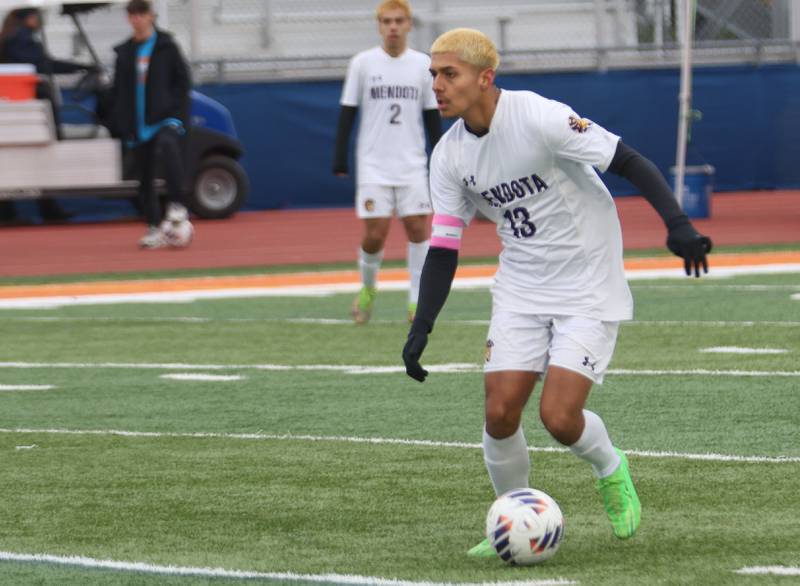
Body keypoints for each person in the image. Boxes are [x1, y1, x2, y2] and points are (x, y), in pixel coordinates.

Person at [402, 28, 712, 556]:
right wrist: (421, 324)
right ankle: (512, 521)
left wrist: (677, 225)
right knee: (500, 413)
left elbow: (629, 160)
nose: (436, 84)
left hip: (587, 280)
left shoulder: (539, 117)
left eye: (447, 74)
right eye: (432, 74)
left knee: (558, 418)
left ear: (484, 77)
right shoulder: (448, 155)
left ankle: (612, 471)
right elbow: (445, 247)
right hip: (522, 285)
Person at [333, 0, 442, 324]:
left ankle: (416, 302)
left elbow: (432, 117)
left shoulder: (423, 64)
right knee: (375, 234)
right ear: (379, 25)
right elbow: (347, 112)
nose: (393, 27)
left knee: (417, 228)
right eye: (386, 21)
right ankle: (367, 288)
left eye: (399, 21)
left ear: (409, 24)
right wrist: (339, 156)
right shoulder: (363, 64)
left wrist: (439, 159)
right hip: (373, 164)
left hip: (412, 163)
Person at [108, 0, 192, 249]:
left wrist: (178, 112)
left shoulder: (167, 46)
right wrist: (120, 121)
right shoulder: (124, 52)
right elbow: (119, 90)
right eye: (132, 14)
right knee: (144, 178)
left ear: (150, 16)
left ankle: (177, 204)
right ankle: (154, 227)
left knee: (168, 146)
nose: (137, 19)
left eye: (141, 14)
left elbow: (183, 81)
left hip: (165, 117)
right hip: (138, 121)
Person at [0, 7, 94, 223]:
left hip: (19, 112)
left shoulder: (13, 37)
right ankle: (42, 210)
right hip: (29, 111)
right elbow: (43, 64)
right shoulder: (21, 39)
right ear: (29, 19)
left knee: (19, 162)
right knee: (35, 160)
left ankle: (20, 212)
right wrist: (80, 67)